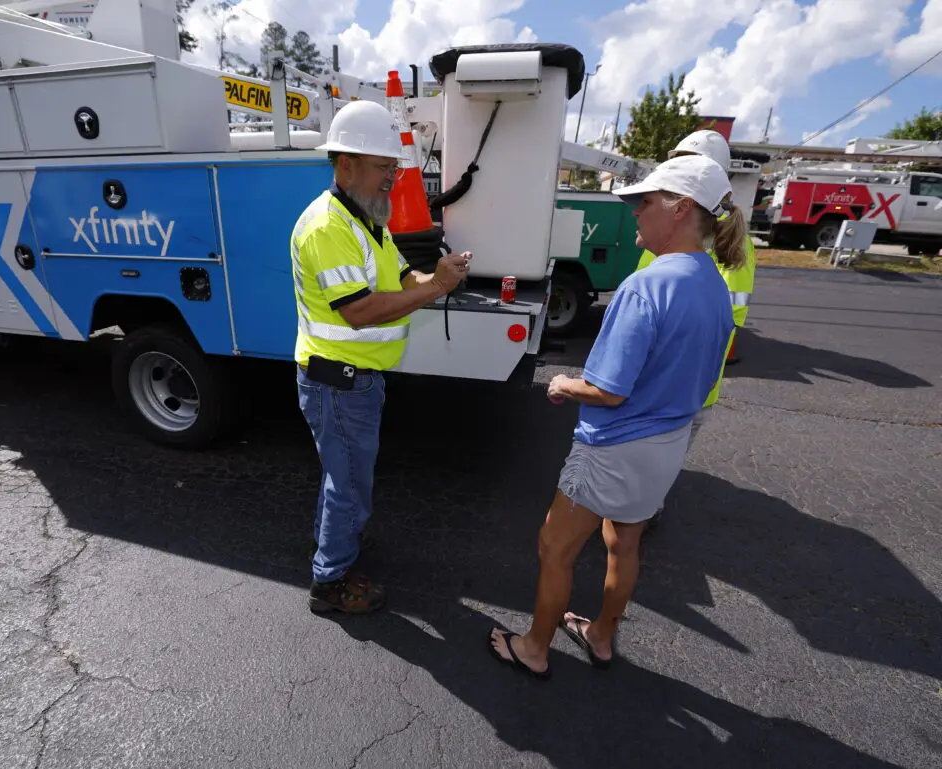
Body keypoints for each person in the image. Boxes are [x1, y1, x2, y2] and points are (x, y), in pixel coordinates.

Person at [488, 154, 745, 679]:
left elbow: (605, 390)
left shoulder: (646, 285)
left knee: (554, 546)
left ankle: (534, 648)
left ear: (682, 209)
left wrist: (561, 382)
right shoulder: (714, 284)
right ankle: (601, 634)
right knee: (623, 542)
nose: (634, 213)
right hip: (668, 444)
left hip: (614, 446)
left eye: (645, 202)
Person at [293, 100, 470, 614]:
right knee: (349, 485)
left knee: (342, 477)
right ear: (346, 164)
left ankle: (331, 546)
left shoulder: (366, 221)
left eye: (394, 169)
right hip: (338, 383)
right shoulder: (329, 228)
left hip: (351, 381)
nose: (392, 179)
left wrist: (435, 278)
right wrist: (434, 287)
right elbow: (360, 311)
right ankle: (330, 582)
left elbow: (398, 279)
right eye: (383, 168)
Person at [635, 130, 757, 530]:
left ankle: (641, 517)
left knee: (651, 472)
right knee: (649, 461)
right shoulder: (671, 240)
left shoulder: (723, 243)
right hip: (679, 384)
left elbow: (727, 321)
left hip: (677, 384)